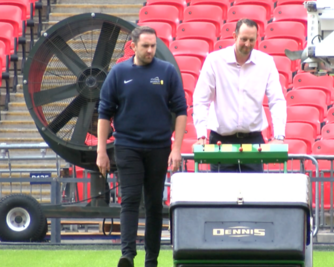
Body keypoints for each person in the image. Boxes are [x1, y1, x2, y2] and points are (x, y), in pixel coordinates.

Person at [96, 26, 187, 267]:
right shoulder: (118, 73)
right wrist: (101, 151)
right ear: (133, 46)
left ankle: (152, 259)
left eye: (153, 46)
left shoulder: (166, 71)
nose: (149, 50)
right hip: (127, 146)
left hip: (159, 147)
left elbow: (180, 111)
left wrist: (176, 148)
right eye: (145, 46)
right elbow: (104, 113)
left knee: (155, 203)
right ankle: (127, 255)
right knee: (130, 200)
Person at [192, 18, 286, 172]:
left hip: (254, 139)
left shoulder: (266, 62)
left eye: (251, 40)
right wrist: (201, 135)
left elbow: (277, 100)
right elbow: (201, 99)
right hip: (221, 140)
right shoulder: (214, 61)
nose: (247, 44)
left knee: (254, 194)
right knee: (222, 194)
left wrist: (279, 136)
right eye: (243, 39)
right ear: (234, 36)